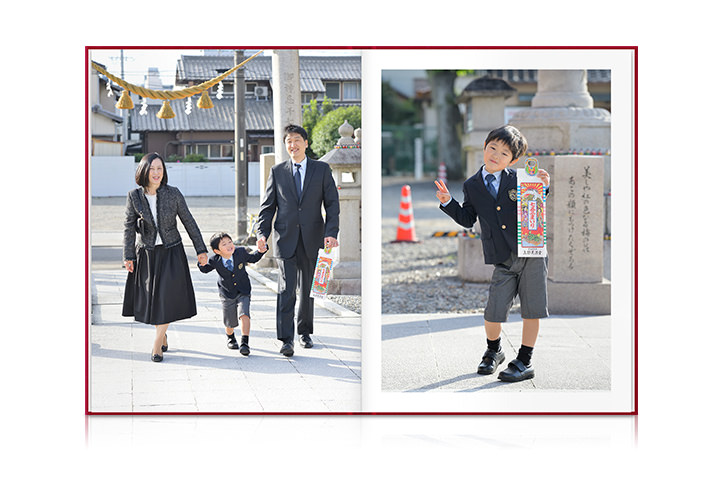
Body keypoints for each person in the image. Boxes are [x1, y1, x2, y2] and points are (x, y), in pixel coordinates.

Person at [435, 125, 550, 382]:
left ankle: (524, 360)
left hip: (531, 252)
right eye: (493, 148)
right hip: (501, 256)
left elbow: (536, 206)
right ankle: (494, 350)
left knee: (532, 309)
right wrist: (447, 202)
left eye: (505, 153)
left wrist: (543, 187)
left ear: (514, 160)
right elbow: (467, 218)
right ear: (485, 147)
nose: (496, 155)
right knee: (493, 311)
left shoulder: (521, 179)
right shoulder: (472, 185)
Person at [256, 124, 340, 357]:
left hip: (314, 238)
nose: (292, 145)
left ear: (305, 142)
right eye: (288, 142)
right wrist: (262, 234)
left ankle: (305, 331)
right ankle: (286, 339)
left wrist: (331, 233)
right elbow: (267, 207)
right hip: (286, 239)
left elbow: (332, 204)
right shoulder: (278, 171)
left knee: (308, 291)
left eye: (296, 140)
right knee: (286, 289)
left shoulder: (321, 170)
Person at [122, 152, 208, 362]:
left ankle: (156, 344)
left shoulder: (173, 194)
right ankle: (163, 333)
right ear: (144, 170)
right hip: (148, 254)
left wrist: (201, 250)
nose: (156, 173)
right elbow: (128, 228)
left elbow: (189, 222)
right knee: (153, 300)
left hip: (172, 251)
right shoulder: (134, 196)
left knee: (166, 299)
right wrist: (128, 255)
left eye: (160, 168)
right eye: (152, 168)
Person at [198, 232, 267, 356]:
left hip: (243, 290)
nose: (229, 245)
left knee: (244, 314)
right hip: (227, 293)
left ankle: (245, 343)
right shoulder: (215, 260)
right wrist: (201, 263)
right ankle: (230, 336)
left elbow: (253, 258)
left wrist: (261, 251)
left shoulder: (240, 252)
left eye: (230, 242)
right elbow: (205, 269)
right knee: (230, 321)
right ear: (217, 251)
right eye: (224, 244)